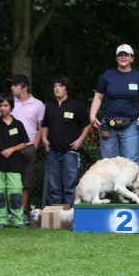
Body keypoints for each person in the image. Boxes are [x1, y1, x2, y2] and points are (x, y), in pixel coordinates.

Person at [89, 44, 139, 166]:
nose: (123, 57)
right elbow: (98, 96)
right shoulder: (107, 75)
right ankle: (112, 186)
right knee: (108, 163)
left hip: (130, 126)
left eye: (126, 55)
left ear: (132, 58)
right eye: (120, 55)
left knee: (131, 163)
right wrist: (92, 115)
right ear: (116, 58)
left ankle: (130, 186)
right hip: (108, 125)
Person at [41, 76, 91, 206]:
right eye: (55, 86)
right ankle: (56, 216)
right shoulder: (49, 106)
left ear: (66, 89)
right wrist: (44, 139)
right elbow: (44, 125)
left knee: (70, 186)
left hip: (70, 152)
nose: (56, 89)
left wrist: (80, 140)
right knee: (54, 187)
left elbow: (87, 124)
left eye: (60, 86)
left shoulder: (76, 106)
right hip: (52, 151)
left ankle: (70, 216)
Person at [0, 93, 29, 228]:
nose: (2, 108)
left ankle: (18, 221)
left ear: (11, 107)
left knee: (15, 193)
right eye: (0, 106)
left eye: (5, 105)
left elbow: (24, 143)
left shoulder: (18, 124)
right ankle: (1, 221)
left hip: (14, 164)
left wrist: (11, 149)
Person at [10, 74, 45, 212]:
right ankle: (10, 213)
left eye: (14, 85)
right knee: (11, 182)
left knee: (26, 183)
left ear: (24, 87)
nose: (11, 88)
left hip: (29, 147)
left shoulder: (38, 104)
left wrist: (35, 146)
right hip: (12, 149)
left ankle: (21, 214)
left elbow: (41, 127)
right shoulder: (9, 102)